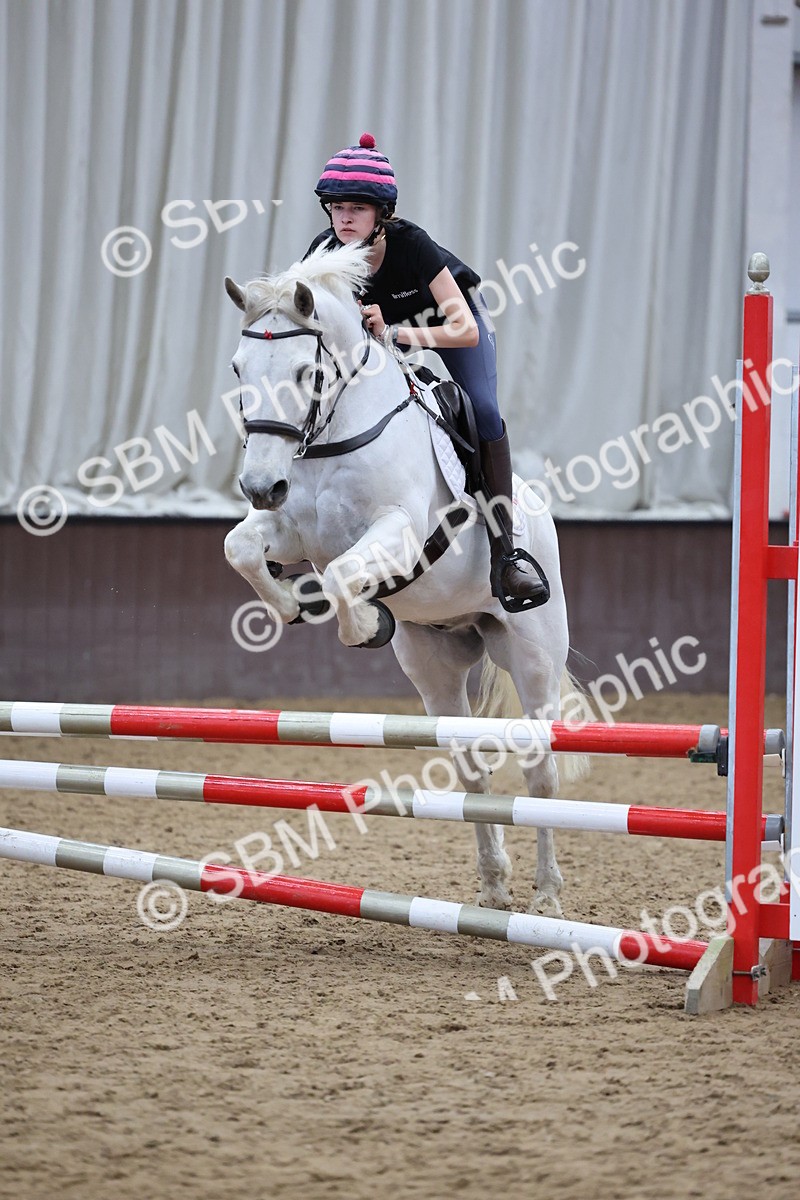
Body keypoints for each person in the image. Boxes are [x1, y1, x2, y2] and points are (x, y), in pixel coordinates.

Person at [307, 133, 549, 611]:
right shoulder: (322, 252)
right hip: (385, 338)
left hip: (455, 324)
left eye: (358, 207)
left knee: (481, 410)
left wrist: (397, 333)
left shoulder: (412, 245)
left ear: (383, 216)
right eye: (336, 207)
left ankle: (507, 554)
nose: (345, 218)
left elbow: (464, 330)